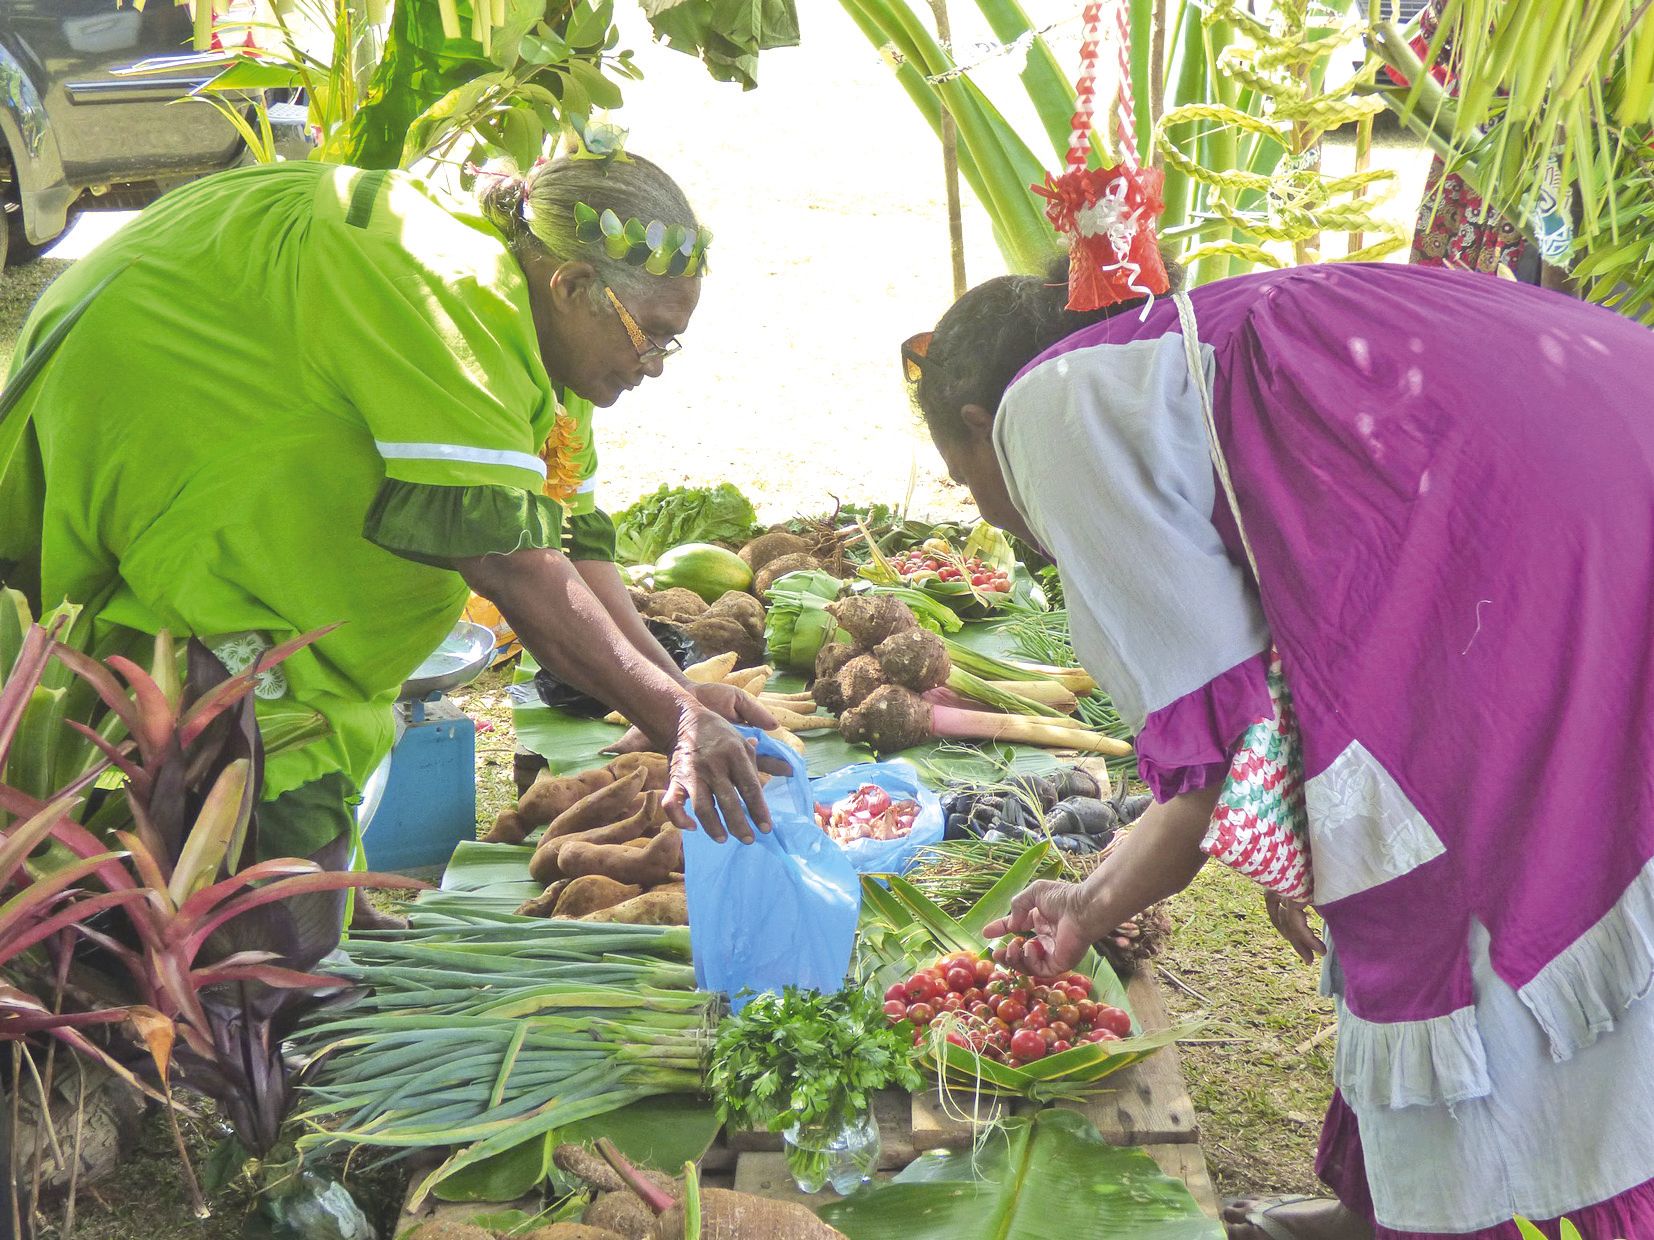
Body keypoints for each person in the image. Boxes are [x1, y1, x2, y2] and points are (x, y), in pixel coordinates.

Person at [905, 258, 1654, 1239]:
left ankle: (1456, 1216)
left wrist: (1089, 906)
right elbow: (1279, 647)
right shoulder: (1170, 353)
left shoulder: (1046, 410)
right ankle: (1380, 1207)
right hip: (1589, 463)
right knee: (1396, 875)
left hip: (1547, 543)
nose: (988, 516)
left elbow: (1212, 759)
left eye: (967, 486)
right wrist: (1286, 828)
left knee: (1457, 895)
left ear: (976, 425)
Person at [0, 152, 775, 926]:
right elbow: (512, 565)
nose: (657, 367)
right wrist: (678, 721)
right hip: (145, 397)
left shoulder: (549, 346)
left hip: (244, 446)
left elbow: (570, 539)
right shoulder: (460, 301)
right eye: (654, 338)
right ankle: (253, 929)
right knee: (241, 759)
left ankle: (316, 901)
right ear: (572, 287)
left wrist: (668, 697)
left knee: (296, 730)